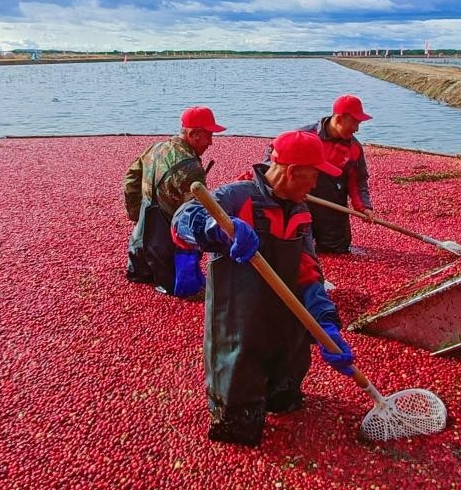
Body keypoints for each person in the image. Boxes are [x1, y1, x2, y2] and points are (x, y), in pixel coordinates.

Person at [172, 129, 357, 448]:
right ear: (293, 171)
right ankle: (235, 411)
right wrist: (218, 230)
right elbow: (181, 223)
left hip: (286, 333)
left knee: (285, 399)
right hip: (238, 332)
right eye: (313, 176)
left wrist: (325, 323)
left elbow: (308, 270)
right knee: (240, 427)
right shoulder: (236, 198)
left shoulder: (300, 211)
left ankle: (280, 391)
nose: (315, 185)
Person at [122, 106, 225, 297]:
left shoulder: (156, 148)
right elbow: (198, 214)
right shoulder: (191, 168)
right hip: (167, 242)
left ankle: (145, 270)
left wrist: (136, 214)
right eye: (209, 135)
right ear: (193, 134)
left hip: (145, 235)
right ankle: (178, 281)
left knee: (147, 229)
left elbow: (131, 179)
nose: (211, 142)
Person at [269, 94, 374, 254]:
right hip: (300, 198)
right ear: (339, 118)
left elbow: (358, 180)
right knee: (296, 247)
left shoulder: (354, 148)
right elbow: (274, 164)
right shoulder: (304, 136)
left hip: (332, 201)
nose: (356, 129)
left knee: (336, 249)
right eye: (354, 122)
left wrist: (363, 207)